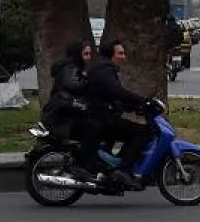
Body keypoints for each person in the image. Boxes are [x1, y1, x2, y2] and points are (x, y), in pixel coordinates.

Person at [83, 40, 153, 189]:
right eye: (120, 53)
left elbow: (112, 96)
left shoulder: (103, 68)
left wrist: (134, 106)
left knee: (133, 130)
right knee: (144, 131)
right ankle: (124, 170)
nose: (123, 56)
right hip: (101, 119)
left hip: (101, 116)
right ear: (111, 55)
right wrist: (144, 101)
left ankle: (119, 164)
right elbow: (117, 92)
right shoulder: (104, 70)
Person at [41, 41, 93, 164]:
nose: (89, 57)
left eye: (90, 54)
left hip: (63, 113)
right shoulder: (71, 67)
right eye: (85, 54)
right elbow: (74, 85)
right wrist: (88, 79)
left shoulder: (69, 67)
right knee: (93, 129)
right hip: (63, 117)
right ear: (77, 54)